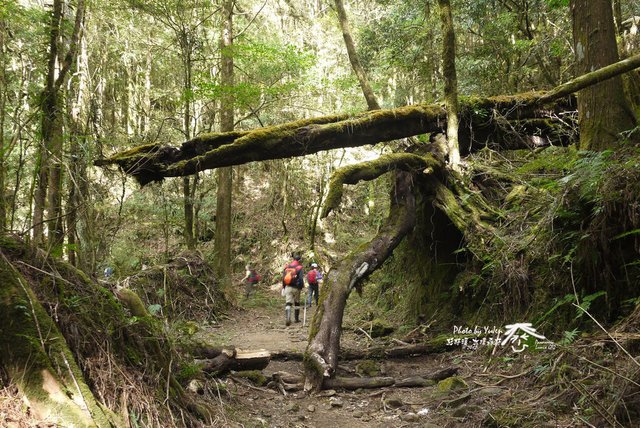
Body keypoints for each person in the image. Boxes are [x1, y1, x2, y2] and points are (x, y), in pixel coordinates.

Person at [282, 254, 304, 326]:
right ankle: (296, 319)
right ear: (299, 260)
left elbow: (283, 278)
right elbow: (300, 279)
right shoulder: (299, 267)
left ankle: (288, 318)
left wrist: (283, 287)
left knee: (288, 303)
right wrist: (301, 287)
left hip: (288, 287)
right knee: (297, 303)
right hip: (296, 288)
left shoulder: (287, 267)